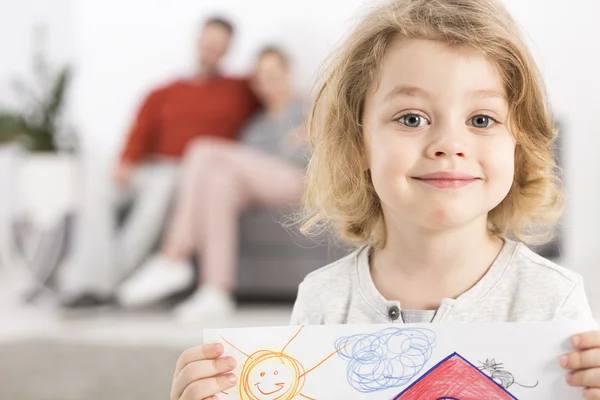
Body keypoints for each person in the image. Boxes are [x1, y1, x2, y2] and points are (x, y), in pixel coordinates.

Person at [168, 0, 600, 398]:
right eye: (411, 118)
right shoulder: (323, 301)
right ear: (359, 145)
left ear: (518, 147)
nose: (449, 144)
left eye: (481, 119)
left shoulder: (553, 300)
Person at [57, 17, 259, 307]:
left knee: (162, 187)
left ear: (227, 50)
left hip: (187, 173)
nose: (210, 49)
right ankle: (95, 280)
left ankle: (99, 286)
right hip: (148, 168)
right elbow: (140, 131)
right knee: (95, 184)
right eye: (207, 41)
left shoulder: (241, 91)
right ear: (197, 41)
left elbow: (277, 94)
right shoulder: (162, 93)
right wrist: (126, 161)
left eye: (218, 45)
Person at [116, 46, 308, 322]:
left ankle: (173, 256)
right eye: (263, 77)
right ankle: (216, 291)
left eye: (275, 74)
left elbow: (313, 154)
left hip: (301, 181)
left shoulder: (309, 108)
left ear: (289, 74)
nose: (270, 83)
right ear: (255, 83)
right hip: (263, 186)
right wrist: (292, 142)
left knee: (202, 149)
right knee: (219, 184)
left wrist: (296, 144)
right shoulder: (255, 127)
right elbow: (251, 169)